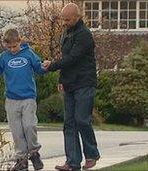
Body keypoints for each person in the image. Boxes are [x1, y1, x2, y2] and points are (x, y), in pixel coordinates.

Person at [0, 28, 45, 171]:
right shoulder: (4, 57)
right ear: (5, 45)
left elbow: (39, 68)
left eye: (15, 46)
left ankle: (34, 152)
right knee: (17, 132)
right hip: (12, 100)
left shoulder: (29, 54)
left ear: (20, 41)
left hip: (28, 98)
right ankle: (21, 160)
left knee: (29, 126)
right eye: (9, 47)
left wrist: (46, 66)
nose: (12, 49)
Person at [43, 3, 100, 171]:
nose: (65, 22)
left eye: (68, 19)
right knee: (69, 123)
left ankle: (92, 154)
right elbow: (66, 58)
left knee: (82, 119)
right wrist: (61, 79)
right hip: (70, 83)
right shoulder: (66, 33)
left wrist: (51, 65)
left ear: (77, 17)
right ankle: (72, 162)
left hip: (84, 82)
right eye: (63, 19)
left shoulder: (84, 35)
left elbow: (73, 58)